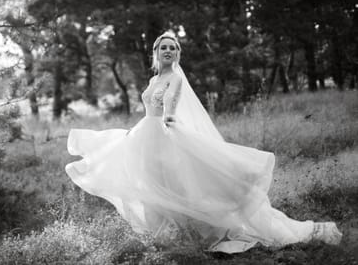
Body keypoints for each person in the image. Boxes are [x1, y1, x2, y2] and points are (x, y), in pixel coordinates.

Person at [65, 32, 342, 253]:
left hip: (163, 133)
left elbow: (171, 102)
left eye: (173, 48)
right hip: (143, 134)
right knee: (149, 186)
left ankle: (192, 235)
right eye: (164, 48)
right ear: (156, 52)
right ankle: (164, 237)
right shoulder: (154, 78)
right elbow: (150, 105)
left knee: (172, 187)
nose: (169, 51)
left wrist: (169, 119)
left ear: (177, 54)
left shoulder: (174, 78)